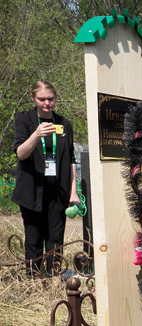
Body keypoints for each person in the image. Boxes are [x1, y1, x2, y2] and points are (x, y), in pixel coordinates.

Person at [13, 80, 79, 276]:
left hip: (57, 190)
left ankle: (54, 278)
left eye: (50, 99)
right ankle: (33, 280)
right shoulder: (24, 120)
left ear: (55, 98)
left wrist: (73, 190)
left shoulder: (63, 123)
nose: (46, 103)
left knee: (55, 238)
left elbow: (71, 159)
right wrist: (36, 135)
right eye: (42, 99)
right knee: (33, 238)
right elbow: (21, 153)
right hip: (32, 189)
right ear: (33, 98)